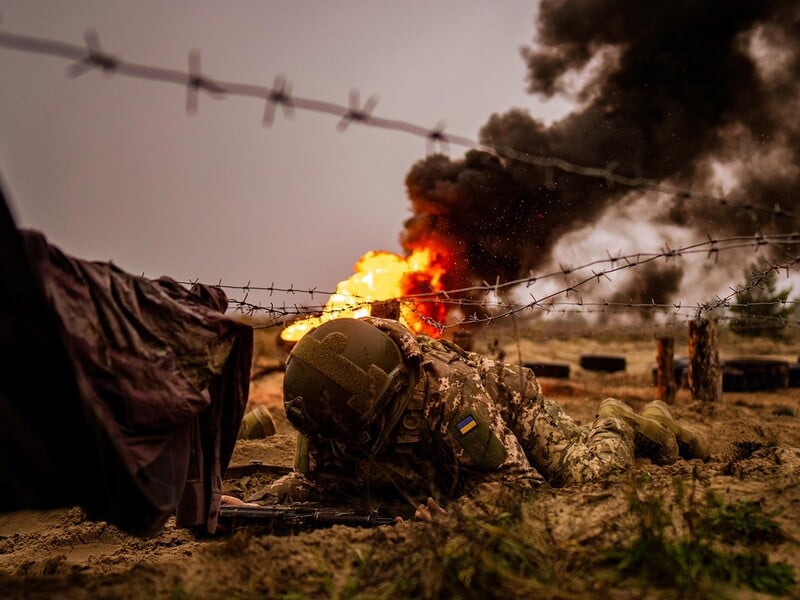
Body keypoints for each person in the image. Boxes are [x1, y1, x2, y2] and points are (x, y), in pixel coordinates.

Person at [254, 316, 708, 514]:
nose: (337, 450)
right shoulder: (327, 407)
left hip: (511, 408)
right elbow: (314, 485)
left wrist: (457, 516)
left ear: (391, 397)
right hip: (444, 443)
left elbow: (516, 483)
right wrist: (254, 507)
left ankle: (618, 419)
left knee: (588, 476)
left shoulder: (450, 396)